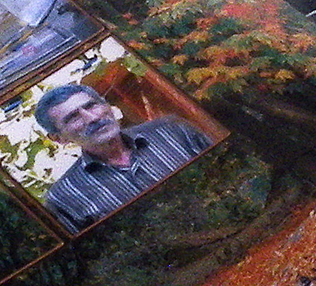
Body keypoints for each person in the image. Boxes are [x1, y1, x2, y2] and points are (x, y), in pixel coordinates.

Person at [33, 83, 213, 232]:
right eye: (73, 117)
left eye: (91, 106)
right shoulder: (64, 197)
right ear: (59, 138)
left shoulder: (171, 130)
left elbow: (225, 164)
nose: (92, 118)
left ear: (107, 106)